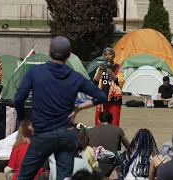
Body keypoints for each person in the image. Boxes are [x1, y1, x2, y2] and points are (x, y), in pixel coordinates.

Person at [14, 36, 107, 180]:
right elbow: (101, 96)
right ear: (69, 55)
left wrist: (23, 123)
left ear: (49, 53)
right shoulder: (75, 77)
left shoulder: (35, 72)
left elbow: (19, 98)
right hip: (67, 135)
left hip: (43, 134)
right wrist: (78, 108)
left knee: (24, 176)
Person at [93, 48, 125, 126]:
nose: (107, 56)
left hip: (114, 97)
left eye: (109, 54)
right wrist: (99, 71)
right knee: (100, 118)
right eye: (105, 55)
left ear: (113, 56)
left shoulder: (118, 67)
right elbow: (95, 81)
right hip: (102, 96)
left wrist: (112, 74)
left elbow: (120, 82)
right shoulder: (101, 67)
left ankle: (113, 134)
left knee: (114, 118)